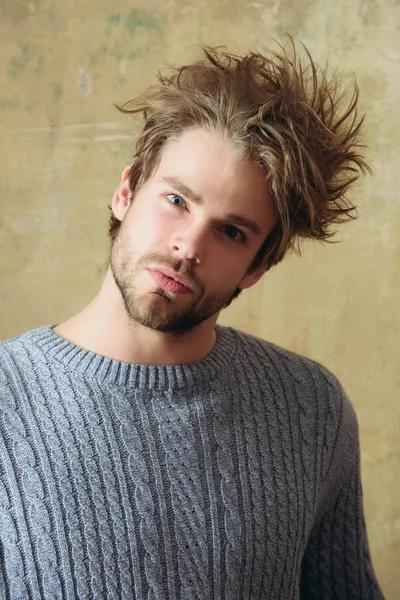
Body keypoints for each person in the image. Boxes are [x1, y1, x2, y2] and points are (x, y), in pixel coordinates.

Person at [0, 40, 384, 599]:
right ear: (126, 191)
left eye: (231, 231)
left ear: (257, 266)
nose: (187, 246)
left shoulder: (310, 409)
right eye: (177, 200)